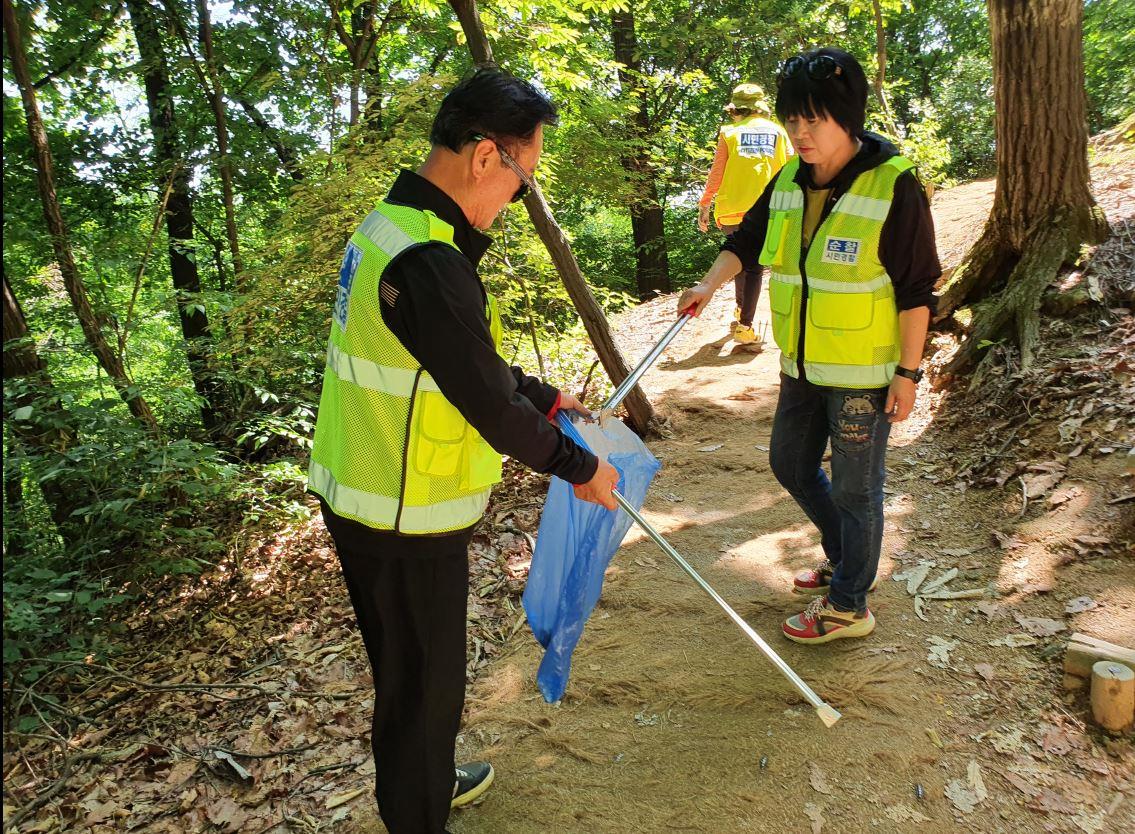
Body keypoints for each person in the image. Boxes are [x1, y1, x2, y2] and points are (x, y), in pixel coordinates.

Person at [307, 68, 620, 834]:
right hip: (405, 515)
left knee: (406, 674)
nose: (515, 200)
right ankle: (418, 811)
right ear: (486, 157)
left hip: (360, 490)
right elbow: (486, 405)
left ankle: (427, 779)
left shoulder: (391, 227)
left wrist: (543, 393)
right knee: (424, 687)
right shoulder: (429, 261)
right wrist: (583, 469)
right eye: (521, 179)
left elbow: (450, 359)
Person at [679, 48, 940, 645]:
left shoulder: (893, 186)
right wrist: (706, 286)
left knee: (855, 487)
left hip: (863, 374)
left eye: (814, 120)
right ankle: (845, 557)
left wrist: (909, 372)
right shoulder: (790, 180)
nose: (801, 132)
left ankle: (850, 602)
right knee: (790, 464)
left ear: (847, 118)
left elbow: (918, 289)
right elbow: (746, 241)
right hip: (800, 364)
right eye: (793, 119)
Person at [697, 83, 793, 346]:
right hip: (768, 209)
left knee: (742, 259)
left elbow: (716, 173)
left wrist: (704, 204)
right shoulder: (779, 132)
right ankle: (745, 325)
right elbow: (790, 170)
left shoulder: (729, 133)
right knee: (754, 267)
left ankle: (742, 314)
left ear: (736, 109)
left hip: (732, 208)